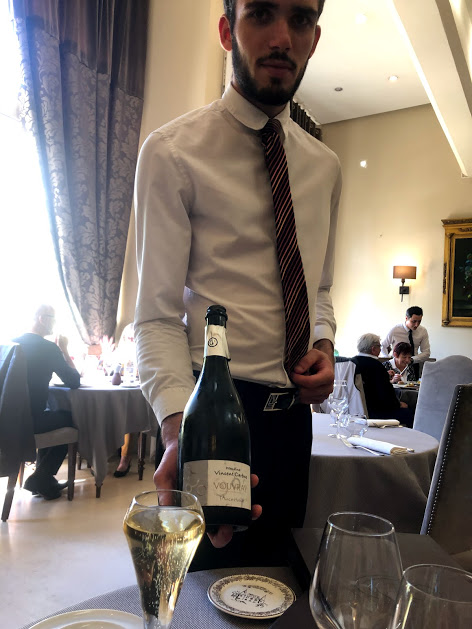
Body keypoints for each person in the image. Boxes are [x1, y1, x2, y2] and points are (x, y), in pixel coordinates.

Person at [134, 0, 339, 567]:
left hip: (293, 422)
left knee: (284, 591)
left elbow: (320, 289)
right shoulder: (172, 153)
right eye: (262, 14)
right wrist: (179, 433)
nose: (282, 37)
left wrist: (323, 344)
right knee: (203, 597)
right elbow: (155, 317)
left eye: (300, 20)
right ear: (227, 30)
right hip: (210, 417)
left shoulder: (326, 167)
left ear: (315, 38)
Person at [13, 304, 80, 500]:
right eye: (53, 319)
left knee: (50, 414)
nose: (54, 323)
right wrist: (64, 349)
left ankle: (43, 479)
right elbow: (74, 381)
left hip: (8, 419)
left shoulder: (10, 344)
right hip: (31, 422)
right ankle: (42, 477)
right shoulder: (48, 348)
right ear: (42, 319)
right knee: (72, 419)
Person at [351, 334, 415, 427]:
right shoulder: (376, 366)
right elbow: (386, 394)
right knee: (411, 412)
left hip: (354, 410)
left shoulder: (351, 362)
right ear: (373, 349)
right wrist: (398, 404)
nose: (380, 349)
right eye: (379, 346)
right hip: (377, 412)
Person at [114, 323, 137, 477]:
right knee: (104, 410)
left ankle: (125, 457)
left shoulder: (143, 351)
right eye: (128, 338)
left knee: (129, 413)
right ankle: (99, 456)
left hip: (136, 389)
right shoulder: (121, 353)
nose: (130, 340)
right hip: (119, 388)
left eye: (133, 338)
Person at [381, 306, 431, 379]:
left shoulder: (423, 331)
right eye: (414, 321)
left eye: (419, 321)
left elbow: (426, 352)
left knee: (413, 384)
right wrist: (389, 361)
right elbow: (383, 346)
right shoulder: (395, 330)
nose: (416, 325)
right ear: (406, 318)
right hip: (396, 364)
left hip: (414, 364)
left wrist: (412, 360)